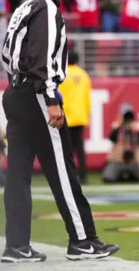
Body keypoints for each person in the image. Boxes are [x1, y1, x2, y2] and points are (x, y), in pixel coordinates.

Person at [0, 0, 119, 263]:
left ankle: (16, 246)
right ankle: (82, 240)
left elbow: (6, 53)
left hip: (15, 91)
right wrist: (51, 98)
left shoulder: (25, 7)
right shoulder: (48, 9)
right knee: (62, 171)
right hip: (37, 94)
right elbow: (41, 59)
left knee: (18, 175)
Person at [59, 49, 91, 184]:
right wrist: (86, 113)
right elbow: (87, 97)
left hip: (66, 115)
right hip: (80, 115)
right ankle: (83, 175)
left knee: (66, 149)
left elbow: (58, 95)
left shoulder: (62, 74)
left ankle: (68, 175)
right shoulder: (84, 75)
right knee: (80, 148)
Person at [102, 103, 139, 183]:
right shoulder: (116, 127)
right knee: (108, 177)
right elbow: (112, 139)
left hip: (135, 162)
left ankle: (133, 176)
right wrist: (118, 126)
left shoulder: (137, 128)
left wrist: (138, 131)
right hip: (118, 161)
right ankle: (122, 176)